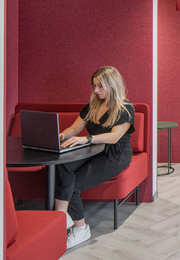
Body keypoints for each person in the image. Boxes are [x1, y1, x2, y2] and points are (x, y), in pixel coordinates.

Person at [54, 66, 135, 249]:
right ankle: (60, 216)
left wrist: (87, 138)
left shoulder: (125, 108)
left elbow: (114, 137)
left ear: (112, 85)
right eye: (94, 86)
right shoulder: (93, 105)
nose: (96, 90)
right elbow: (75, 128)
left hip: (116, 155)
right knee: (63, 166)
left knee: (74, 184)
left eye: (100, 86)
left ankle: (81, 229)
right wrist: (61, 136)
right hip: (94, 149)